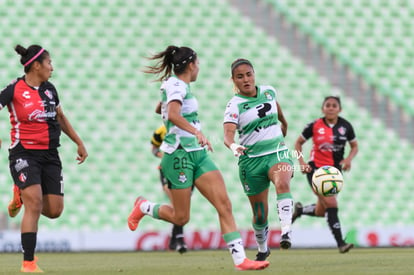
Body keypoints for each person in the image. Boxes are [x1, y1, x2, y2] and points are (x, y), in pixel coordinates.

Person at [127, 46, 269, 271]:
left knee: (224, 204)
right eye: (198, 64)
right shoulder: (176, 85)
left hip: (199, 155)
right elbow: (172, 114)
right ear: (191, 64)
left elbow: (163, 109)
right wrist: (197, 132)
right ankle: (144, 206)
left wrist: (167, 107)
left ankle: (240, 259)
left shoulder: (179, 86)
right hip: (178, 155)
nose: (199, 68)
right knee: (181, 218)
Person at [1, 44, 88, 272]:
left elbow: (60, 116)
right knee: (35, 202)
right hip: (23, 153)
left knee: (54, 210)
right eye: (49, 63)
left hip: (50, 155)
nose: (52, 67)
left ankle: (20, 192)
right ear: (36, 65)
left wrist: (78, 142)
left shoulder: (50, 89)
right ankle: (28, 262)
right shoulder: (14, 89)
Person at [223, 58, 294, 261]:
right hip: (251, 161)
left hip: (277, 152)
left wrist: (284, 123)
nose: (246, 79)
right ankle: (263, 248)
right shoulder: (234, 105)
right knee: (260, 213)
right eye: (240, 77)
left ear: (254, 74)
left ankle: (286, 231)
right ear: (233, 80)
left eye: (249, 74)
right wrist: (234, 145)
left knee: (283, 182)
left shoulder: (269, 91)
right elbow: (227, 135)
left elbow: (275, 106)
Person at [293, 96, 358, 253]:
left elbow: (354, 146)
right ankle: (341, 243)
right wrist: (302, 163)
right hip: (316, 170)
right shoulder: (314, 125)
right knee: (332, 204)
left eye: (334, 105)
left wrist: (348, 159)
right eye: (327, 105)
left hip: (335, 173)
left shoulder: (346, 126)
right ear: (323, 108)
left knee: (322, 211)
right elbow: (298, 143)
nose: (330, 108)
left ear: (339, 109)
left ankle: (300, 211)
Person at [150, 123, 188, 253]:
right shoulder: (161, 130)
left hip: (185, 170)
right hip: (167, 169)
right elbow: (154, 149)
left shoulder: (187, 127)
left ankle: (174, 239)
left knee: (181, 207)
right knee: (177, 204)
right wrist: (165, 157)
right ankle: (180, 239)